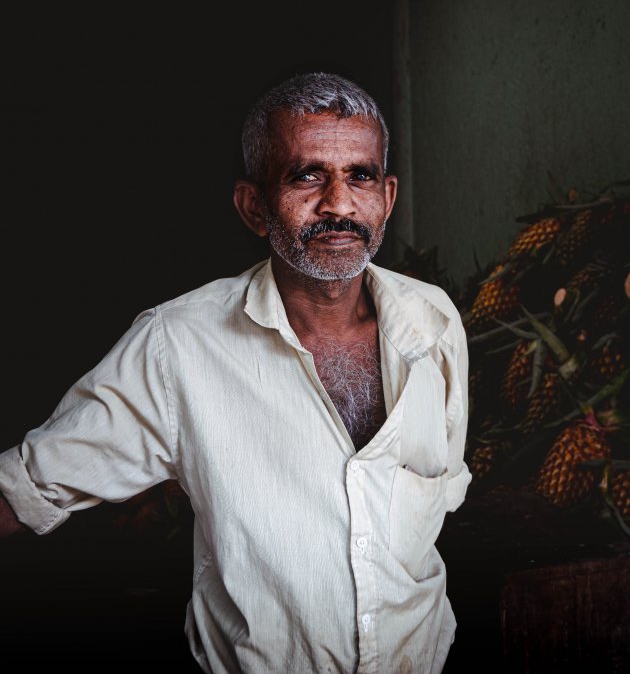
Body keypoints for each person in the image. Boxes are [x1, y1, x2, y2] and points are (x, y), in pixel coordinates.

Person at [0, 72, 471, 673]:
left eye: (361, 175)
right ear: (254, 206)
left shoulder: (433, 323)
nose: (339, 204)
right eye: (307, 175)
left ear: (389, 196)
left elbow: (443, 483)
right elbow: (25, 489)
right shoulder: (178, 345)